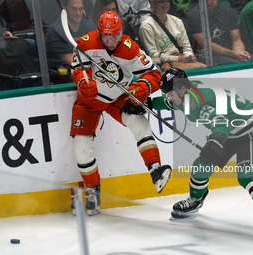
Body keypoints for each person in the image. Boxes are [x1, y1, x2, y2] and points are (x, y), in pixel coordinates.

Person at [151, 68, 253, 243]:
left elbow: (221, 123)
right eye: (167, 94)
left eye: (171, 93)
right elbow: (168, 103)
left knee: (247, 177)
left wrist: (215, 141)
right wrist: (149, 104)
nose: (169, 97)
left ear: (182, 89)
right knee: (201, 166)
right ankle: (195, 200)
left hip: (249, 131)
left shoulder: (195, 102)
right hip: (228, 132)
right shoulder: (183, 92)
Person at [70, 12, 172, 216]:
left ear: (121, 34)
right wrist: (83, 82)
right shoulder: (86, 43)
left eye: (114, 37)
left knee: (138, 120)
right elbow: (77, 68)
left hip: (118, 96)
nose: (109, 42)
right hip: (89, 101)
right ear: (99, 33)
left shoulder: (129, 49)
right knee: (81, 149)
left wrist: (143, 87)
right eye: (105, 37)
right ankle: (92, 191)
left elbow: (153, 73)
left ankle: (155, 168)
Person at [139, 0, 207, 72]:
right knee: (202, 67)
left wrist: (189, 55)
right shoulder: (147, 26)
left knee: (203, 68)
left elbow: (186, 47)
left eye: (167, 1)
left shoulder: (177, 21)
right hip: (164, 64)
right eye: (160, 2)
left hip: (181, 59)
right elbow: (154, 56)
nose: (165, 4)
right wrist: (176, 59)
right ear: (153, 3)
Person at [186, 0, 252, 65]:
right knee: (236, 64)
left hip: (231, 54)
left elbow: (236, 40)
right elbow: (207, 45)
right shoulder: (194, 14)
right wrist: (234, 54)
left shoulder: (228, 11)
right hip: (208, 57)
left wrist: (241, 54)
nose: (209, 2)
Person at [46, 0, 97, 76]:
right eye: (74, 9)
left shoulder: (91, 27)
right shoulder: (56, 31)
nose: (78, 13)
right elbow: (72, 63)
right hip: (64, 78)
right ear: (64, 7)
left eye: (81, 9)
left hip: (90, 74)